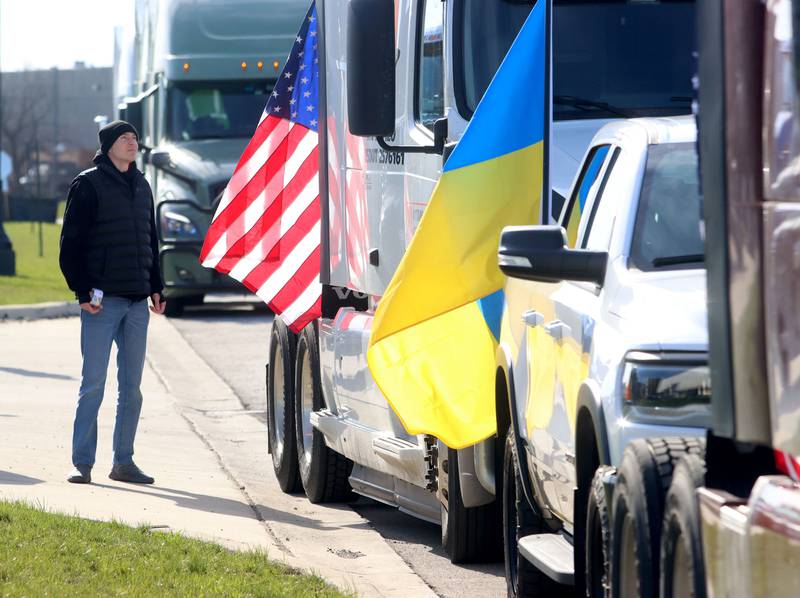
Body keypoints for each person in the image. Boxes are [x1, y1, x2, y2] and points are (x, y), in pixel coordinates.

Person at [59, 120, 166, 485]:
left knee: (132, 389)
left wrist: (157, 287)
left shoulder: (142, 185)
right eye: (125, 138)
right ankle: (81, 463)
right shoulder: (87, 184)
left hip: (137, 302)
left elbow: (149, 241)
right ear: (108, 146)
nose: (133, 143)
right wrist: (82, 291)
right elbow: (69, 245)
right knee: (93, 384)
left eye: (135, 137)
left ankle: (124, 462)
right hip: (101, 304)